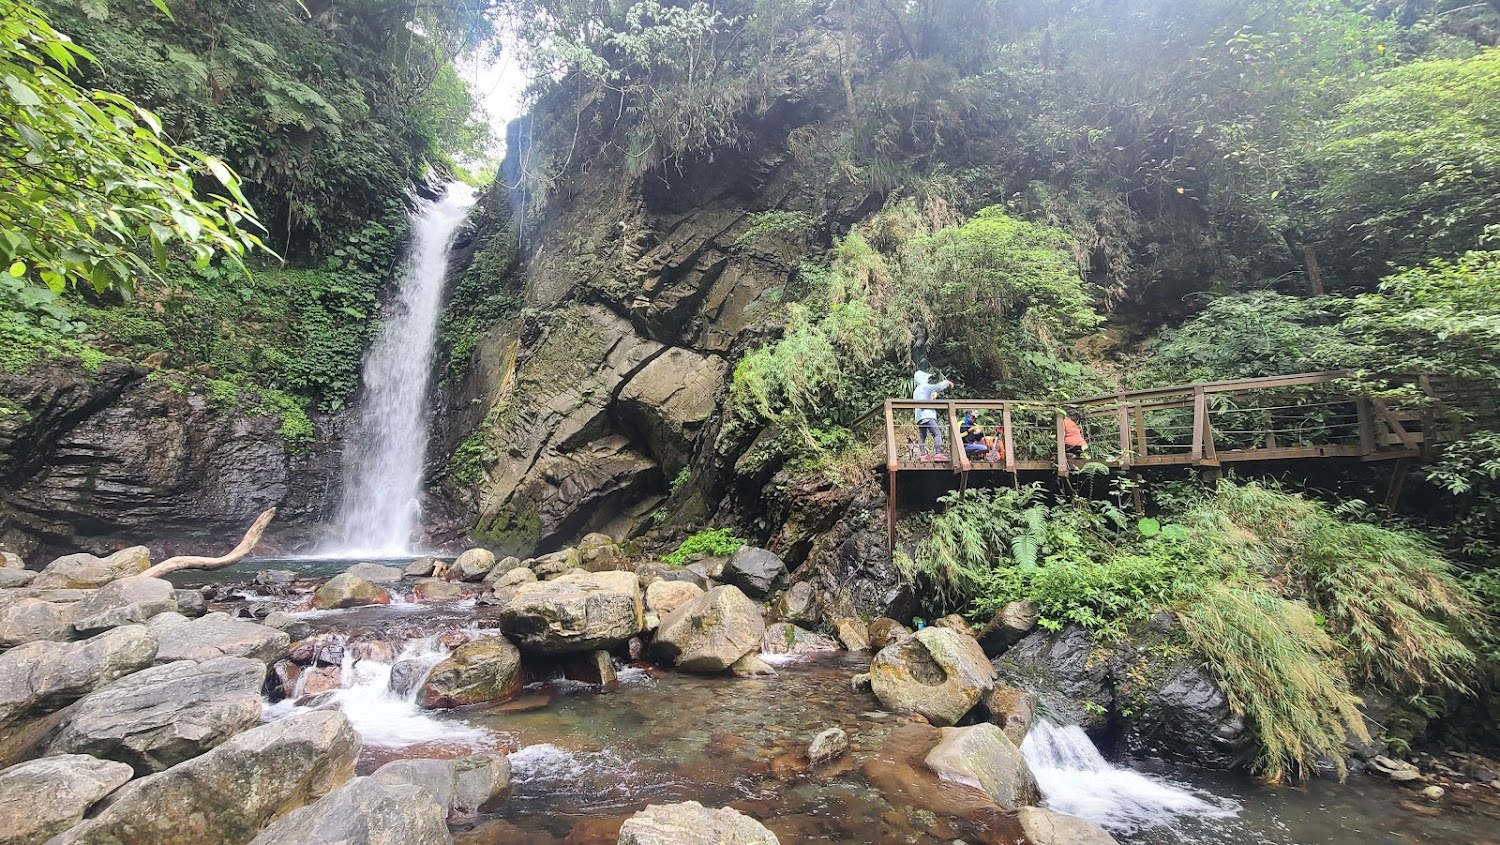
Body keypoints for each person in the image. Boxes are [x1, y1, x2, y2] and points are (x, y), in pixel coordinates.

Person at [912, 370, 952, 460]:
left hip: (919, 417)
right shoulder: (924, 387)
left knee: (922, 436)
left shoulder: (916, 391)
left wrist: (931, 398)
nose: (927, 380)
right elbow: (937, 387)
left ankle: (923, 455)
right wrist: (947, 383)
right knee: (937, 433)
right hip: (928, 415)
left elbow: (923, 400)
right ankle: (938, 453)